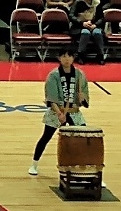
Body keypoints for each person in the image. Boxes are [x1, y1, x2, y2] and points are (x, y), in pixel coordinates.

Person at [28, 46, 100, 185]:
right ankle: (34, 164)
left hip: (74, 111)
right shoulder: (54, 75)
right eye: (64, 56)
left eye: (69, 56)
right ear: (59, 58)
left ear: (73, 58)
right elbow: (51, 97)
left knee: (84, 139)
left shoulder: (79, 75)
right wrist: (59, 113)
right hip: (57, 111)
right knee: (46, 137)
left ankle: (89, 171)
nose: (67, 59)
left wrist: (82, 99)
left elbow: (84, 97)